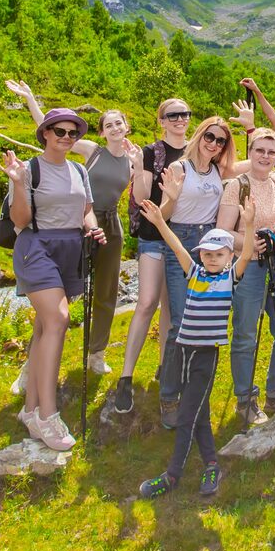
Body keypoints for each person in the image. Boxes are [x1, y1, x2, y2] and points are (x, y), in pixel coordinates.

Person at [7, 81, 141, 380]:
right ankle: (31, 369)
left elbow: (142, 191)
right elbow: (52, 127)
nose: (115, 127)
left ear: (127, 126)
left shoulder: (133, 158)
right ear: (102, 132)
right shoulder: (92, 150)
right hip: (77, 222)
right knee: (58, 300)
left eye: (119, 122)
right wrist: (30, 98)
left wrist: (140, 167)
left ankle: (97, 353)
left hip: (109, 225)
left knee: (106, 291)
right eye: (109, 125)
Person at [134, 194, 257, 499]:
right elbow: (176, 245)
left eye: (218, 254)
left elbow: (248, 254)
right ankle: (212, 465)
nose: (212, 258)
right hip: (182, 351)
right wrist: (161, 221)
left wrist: (251, 224)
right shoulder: (194, 273)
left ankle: (172, 476)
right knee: (199, 413)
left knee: (186, 416)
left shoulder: (230, 278)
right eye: (207, 253)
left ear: (229, 257)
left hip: (205, 355)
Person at [1, 108, 106, 452]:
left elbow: (86, 208)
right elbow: (20, 217)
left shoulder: (78, 169)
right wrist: (17, 184)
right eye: (59, 131)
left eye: (72, 133)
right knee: (58, 319)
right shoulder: (29, 169)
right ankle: (48, 414)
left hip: (71, 248)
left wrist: (92, 227)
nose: (66, 137)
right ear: (45, 132)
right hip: (37, 247)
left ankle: (30, 411)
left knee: (44, 327)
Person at [150, 115, 238, 429]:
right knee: (180, 323)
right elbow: (161, 216)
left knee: (205, 324)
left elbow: (261, 168)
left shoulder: (218, 170)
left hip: (208, 245)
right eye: (210, 137)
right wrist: (172, 198)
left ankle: (192, 388)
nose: (214, 144)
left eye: (221, 141)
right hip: (180, 243)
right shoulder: (178, 169)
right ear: (199, 135)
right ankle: (169, 396)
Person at [110, 97, 193, 418]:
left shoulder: (196, 151)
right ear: (161, 121)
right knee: (146, 303)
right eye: (172, 115)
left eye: (184, 114)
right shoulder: (149, 152)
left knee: (171, 308)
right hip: (153, 238)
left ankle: (164, 368)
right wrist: (140, 168)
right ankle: (126, 377)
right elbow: (141, 197)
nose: (179, 119)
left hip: (182, 240)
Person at [219, 125, 275, 427]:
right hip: (248, 267)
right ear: (250, 152)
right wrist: (252, 243)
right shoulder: (237, 186)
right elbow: (224, 231)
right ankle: (245, 399)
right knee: (246, 335)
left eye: (270, 152)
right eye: (259, 150)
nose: (265, 156)